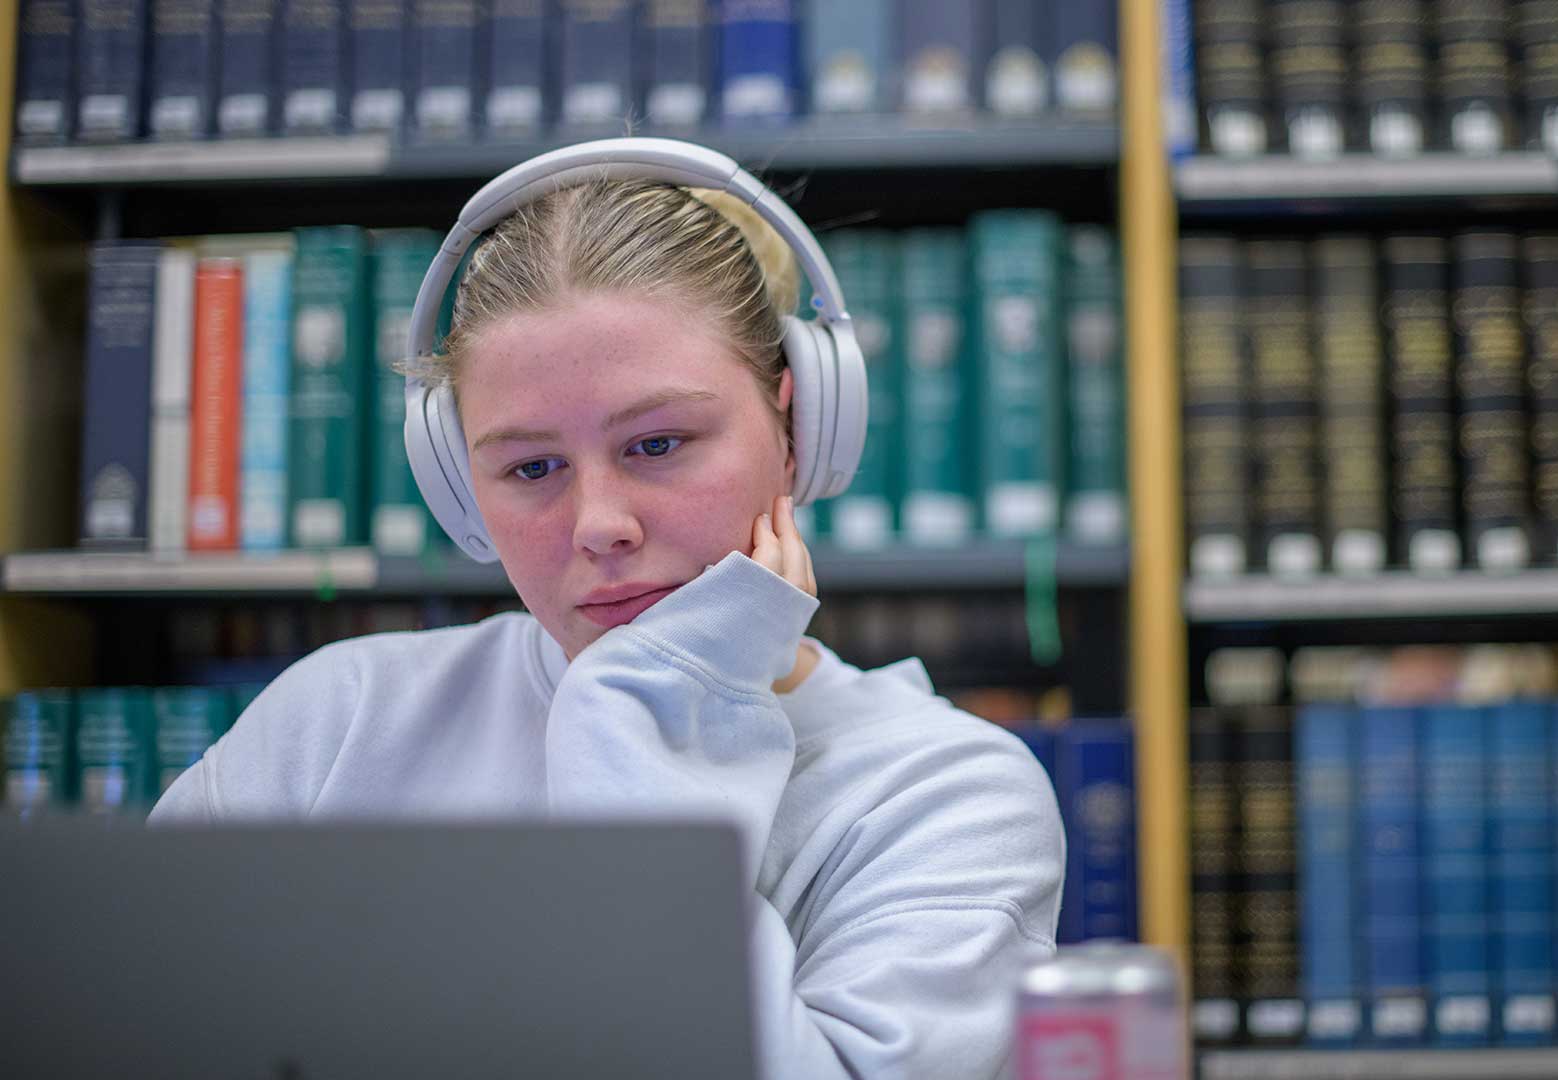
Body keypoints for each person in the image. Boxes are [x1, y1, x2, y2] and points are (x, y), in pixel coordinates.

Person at [149, 152, 1068, 1079]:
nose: (600, 527)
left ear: (795, 432)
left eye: (658, 443)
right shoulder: (337, 725)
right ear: (461, 489)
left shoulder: (948, 797)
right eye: (531, 469)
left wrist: (655, 702)